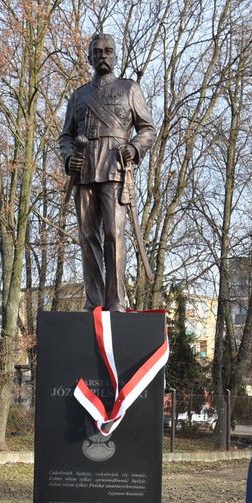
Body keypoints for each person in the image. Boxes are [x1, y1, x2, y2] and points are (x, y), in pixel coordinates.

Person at [58, 32, 156, 311]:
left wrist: (135, 148)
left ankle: (115, 303)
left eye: (108, 51)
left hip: (115, 169)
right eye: (98, 52)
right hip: (85, 170)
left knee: (114, 234)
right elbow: (66, 136)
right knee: (88, 237)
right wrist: (68, 159)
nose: (103, 56)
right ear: (89, 57)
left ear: (115, 55)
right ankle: (94, 302)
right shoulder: (78, 96)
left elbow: (147, 128)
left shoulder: (129, 89)